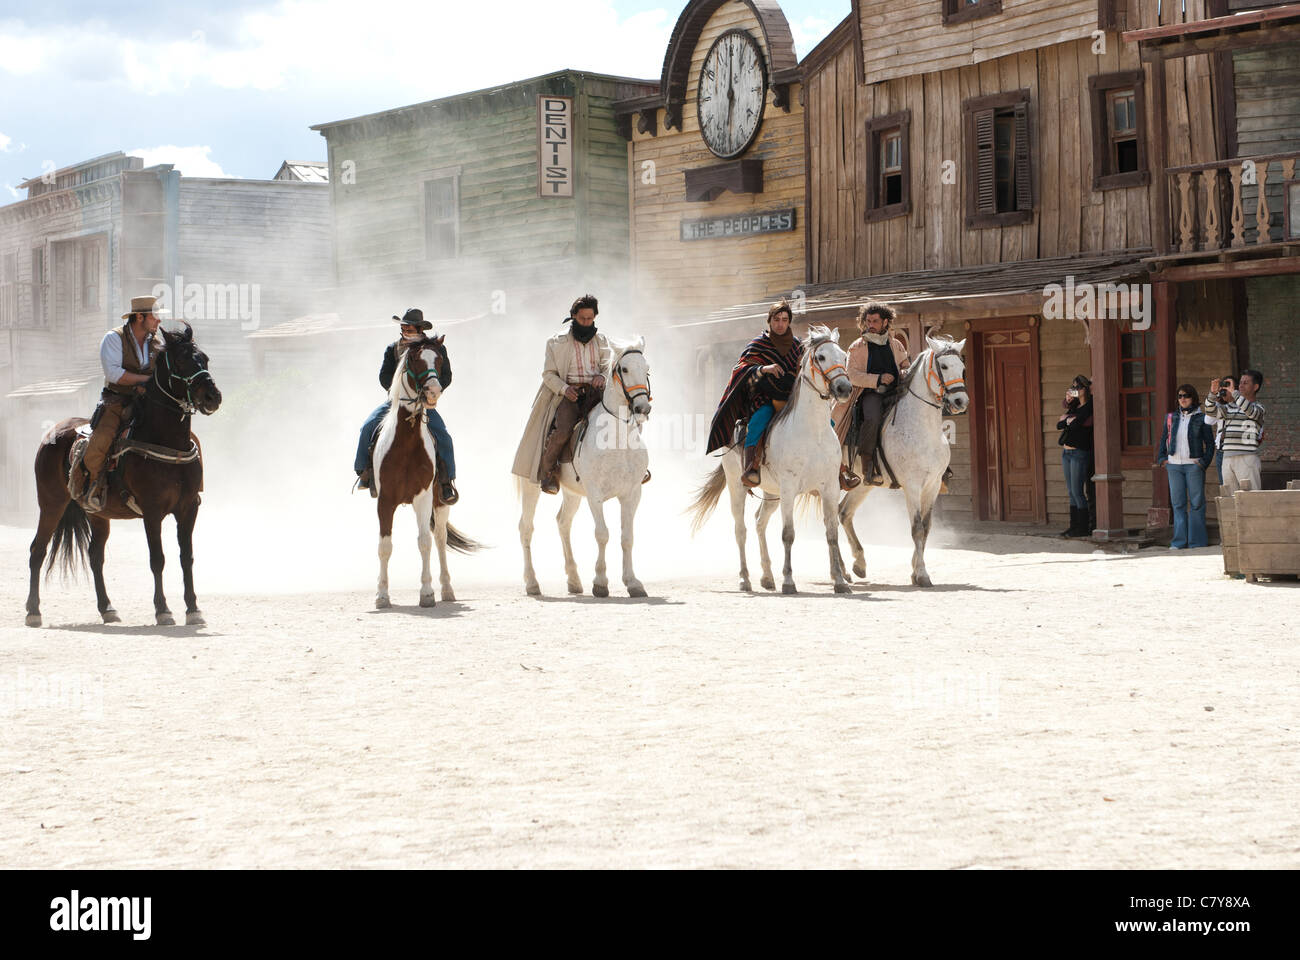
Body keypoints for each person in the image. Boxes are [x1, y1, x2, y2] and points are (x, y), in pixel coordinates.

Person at [511, 293, 612, 495]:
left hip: (597, 394)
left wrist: (602, 375)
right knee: (563, 429)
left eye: (590, 318)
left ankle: (634, 466)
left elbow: (608, 366)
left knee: (625, 417)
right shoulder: (556, 341)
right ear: (574, 316)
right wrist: (565, 389)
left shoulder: (602, 340)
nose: (587, 322)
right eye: (583, 318)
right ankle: (549, 472)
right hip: (570, 394)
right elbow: (548, 374)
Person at [354, 308, 457, 504]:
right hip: (396, 401)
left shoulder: (436, 349)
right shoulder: (392, 348)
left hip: (424, 402)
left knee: (443, 436)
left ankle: (446, 482)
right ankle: (364, 472)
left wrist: (432, 391)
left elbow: (446, 376)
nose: (404, 330)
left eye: (408, 327)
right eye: (403, 327)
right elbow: (384, 376)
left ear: (419, 328)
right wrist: (398, 391)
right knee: (368, 426)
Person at [77, 295, 165, 512]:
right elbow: (114, 374)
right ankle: (92, 487)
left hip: (149, 401)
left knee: (183, 435)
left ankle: (190, 493)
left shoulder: (157, 343)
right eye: (155, 316)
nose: (159, 321)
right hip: (116, 400)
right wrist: (146, 380)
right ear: (140, 317)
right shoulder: (113, 338)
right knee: (101, 440)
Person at [705, 300, 805, 488]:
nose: (781, 324)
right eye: (777, 320)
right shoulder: (759, 344)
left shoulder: (798, 346)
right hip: (764, 398)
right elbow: (740, 368)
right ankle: (751, 466)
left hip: (793, 398)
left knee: (827, 422)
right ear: (769, 321)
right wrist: (763, 368)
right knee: (759, 420)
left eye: (784, 320)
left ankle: (838, 469)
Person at [831, 301, 910, 488]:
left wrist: (905, 372)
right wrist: (878, 378)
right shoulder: (857, 346)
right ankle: (867, 462)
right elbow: (851, 375)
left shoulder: (896, 344)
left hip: (896, 392)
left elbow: (905, 365)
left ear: (885, 322)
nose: (870, 325)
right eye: (868, 321)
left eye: (875, 321)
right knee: (873, 417)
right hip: (869, 394)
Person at [1156, 384, 1215, 549]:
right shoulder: (1171, 417)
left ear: (1193, 398)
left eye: (1187, 396)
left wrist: (1203, 463)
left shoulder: (1202, 418)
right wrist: (1162, 458)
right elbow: (1163, 439)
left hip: (1193, 466)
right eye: (1180, 396)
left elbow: (1210, 444)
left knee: (1196, 503)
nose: (1183, 399)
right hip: (1173, 466)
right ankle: (1179, 542)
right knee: (1178, 504)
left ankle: (1196, 542)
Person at [1205, 369, 1265, 495]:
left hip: (1247, 457)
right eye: (1240, 383)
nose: (1240, 385)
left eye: (1245, 383)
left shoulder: (1259, 407)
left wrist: (1235, 393)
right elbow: (1210, 412)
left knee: (1251, 498)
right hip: (1227, 458)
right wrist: (1212, 393)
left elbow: (1251, 412)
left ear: (1255, 387)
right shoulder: (1230, 407)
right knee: (1229, 499)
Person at [1056, 374, 1094, 537]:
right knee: (1071, 491)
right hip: (1066, 452)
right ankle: (1074, 526)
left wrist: (1069, 420)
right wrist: (1068, 419)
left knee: (1078, 490)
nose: (1075, 390)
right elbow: (1060, 424)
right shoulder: (1075, 407)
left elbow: (1078, 424)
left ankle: (1083, 527)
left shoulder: (1089, 407)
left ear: (1085, 389)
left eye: (1078, 387)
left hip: (1079, 452)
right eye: (1073, 387)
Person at [1203, 373, 1234, 485]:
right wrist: (1216, 399)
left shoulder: (1243, 406)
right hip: (1222, 452)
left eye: (1228, 386)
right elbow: (1208, 421)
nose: (1224, 390)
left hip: (1237, 453)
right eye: (1223, 387)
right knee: (1226, 491)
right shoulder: (1221, 408)